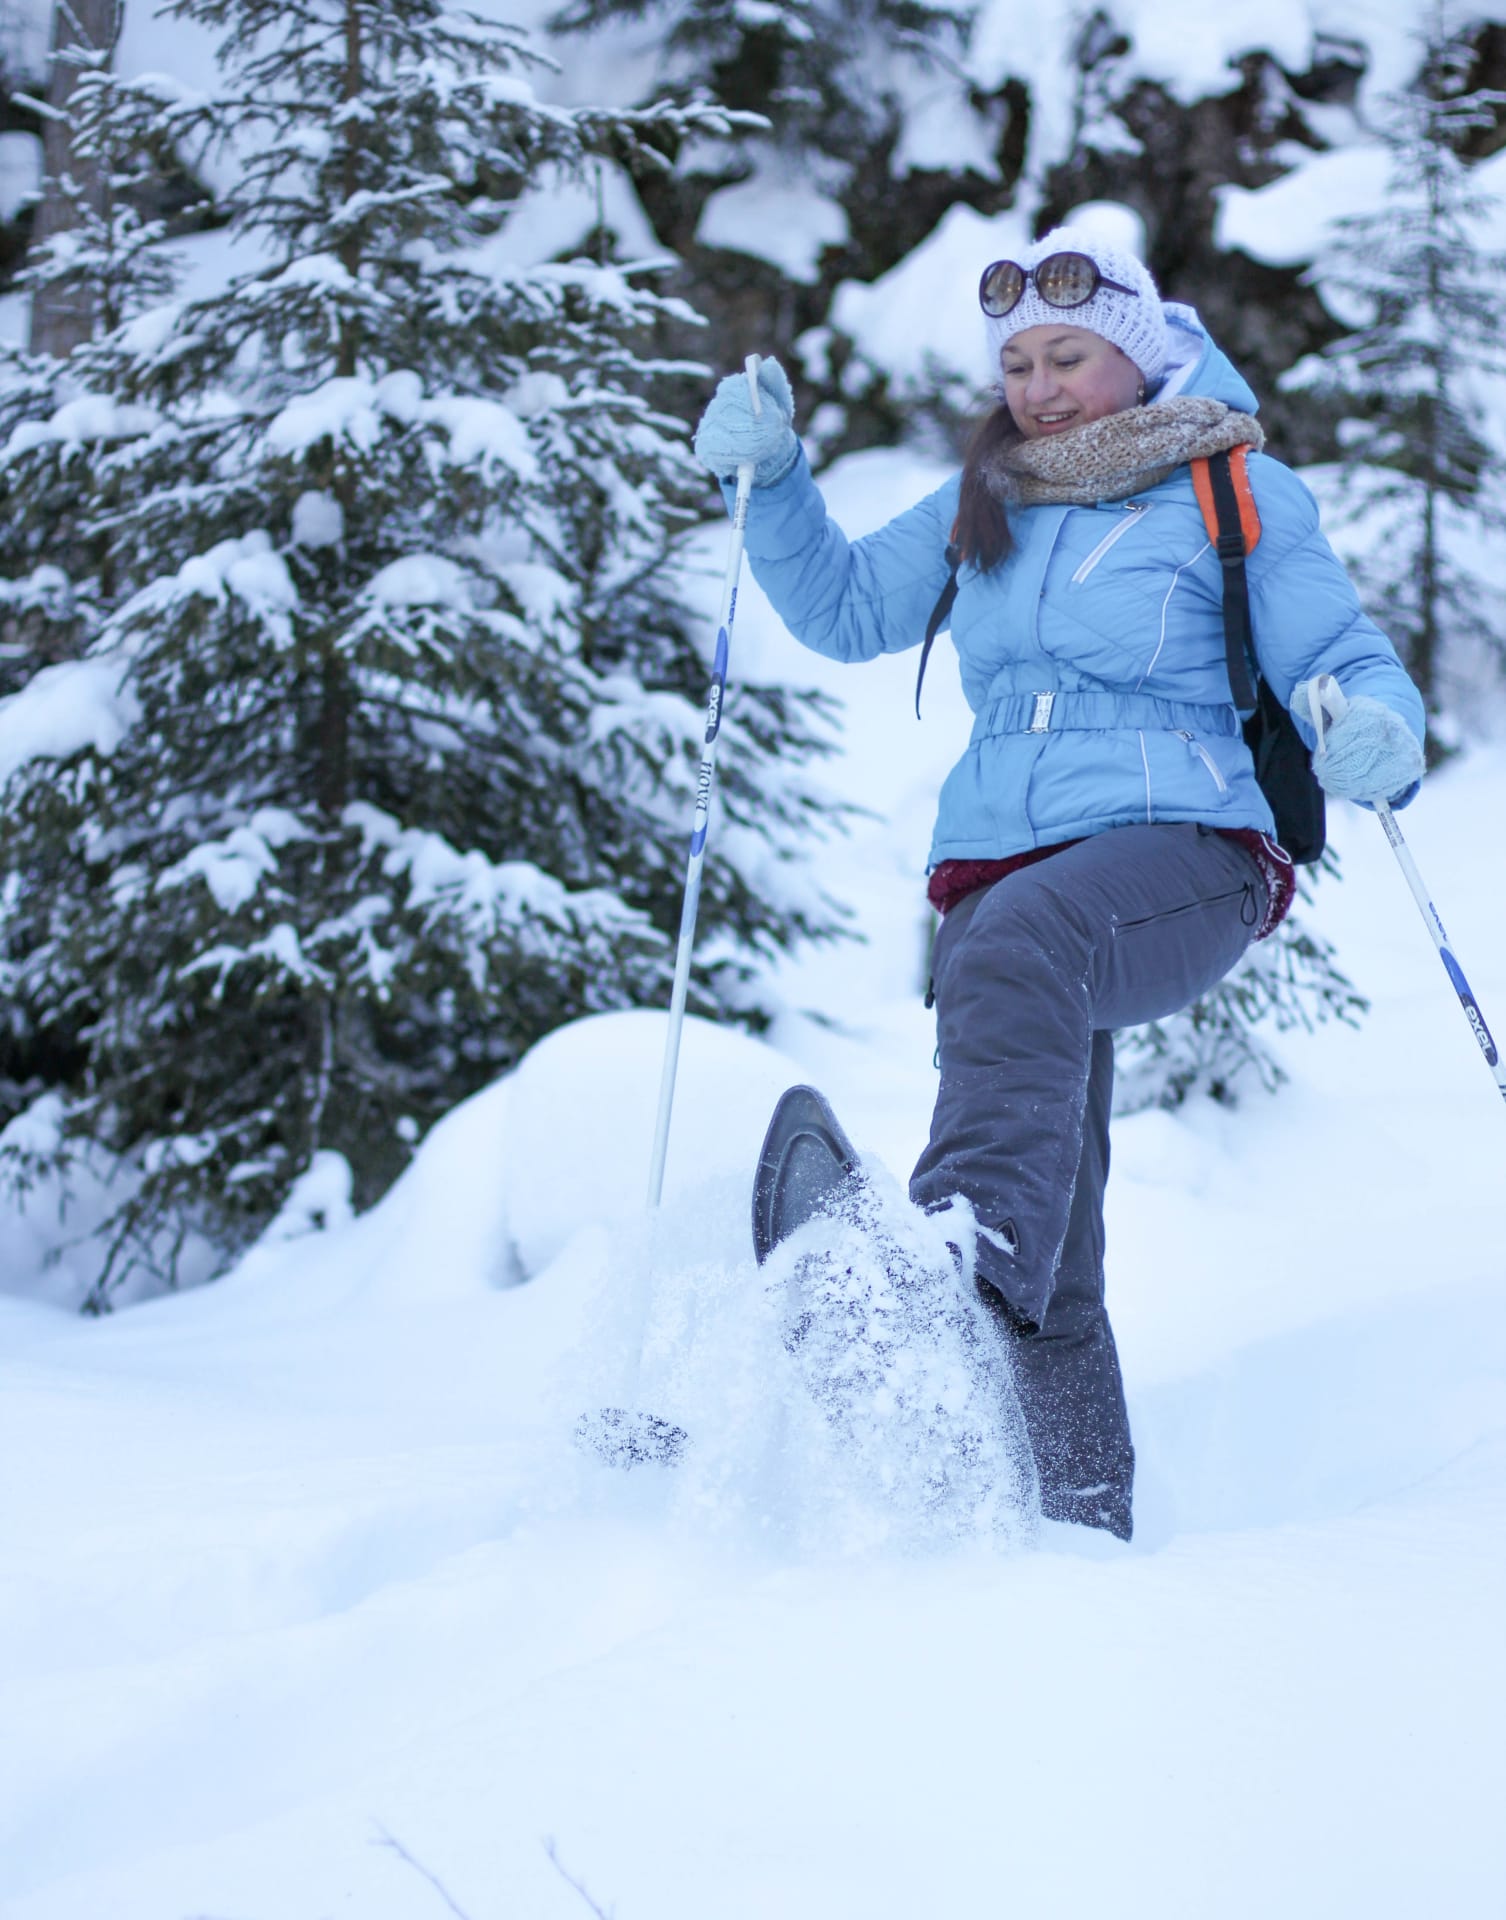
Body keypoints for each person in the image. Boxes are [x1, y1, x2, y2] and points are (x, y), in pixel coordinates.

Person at [691, 226, 1426, 1541]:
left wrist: (1376, 727)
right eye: (1018, 359)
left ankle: (944, 1251)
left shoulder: (1229, 488)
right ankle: (1074, 1537)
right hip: (1002, 879)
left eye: (1066, 355)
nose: (1036, 383)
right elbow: (846, 610)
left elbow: (1344, 656)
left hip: (1185, 855)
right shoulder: (990, 494)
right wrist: (779, 479)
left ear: (1133, 358)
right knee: (1055, 1250)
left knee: (1019, 977)